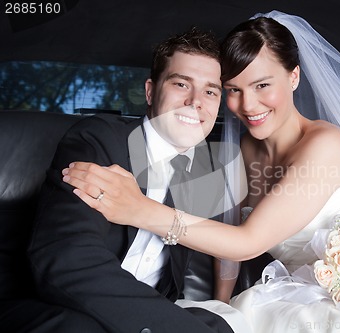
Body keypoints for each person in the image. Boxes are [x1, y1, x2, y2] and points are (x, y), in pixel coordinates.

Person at [62, 11, 340, 333]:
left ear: (293, 77)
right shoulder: (240, 146)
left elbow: (250, 240)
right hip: (293, 291)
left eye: (262, 85)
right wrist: (221, 301)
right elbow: (229, 236)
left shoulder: (324, 144)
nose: (247, 106)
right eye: (232, 90)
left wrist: (141, 210)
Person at [27, 27, 249, 333]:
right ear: (149, 91)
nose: (196, 101)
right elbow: (66, 258)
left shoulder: (205, 173)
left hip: (151, 312)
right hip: (64, 309)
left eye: (210, 91)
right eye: (181, 84)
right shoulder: (100, 141)